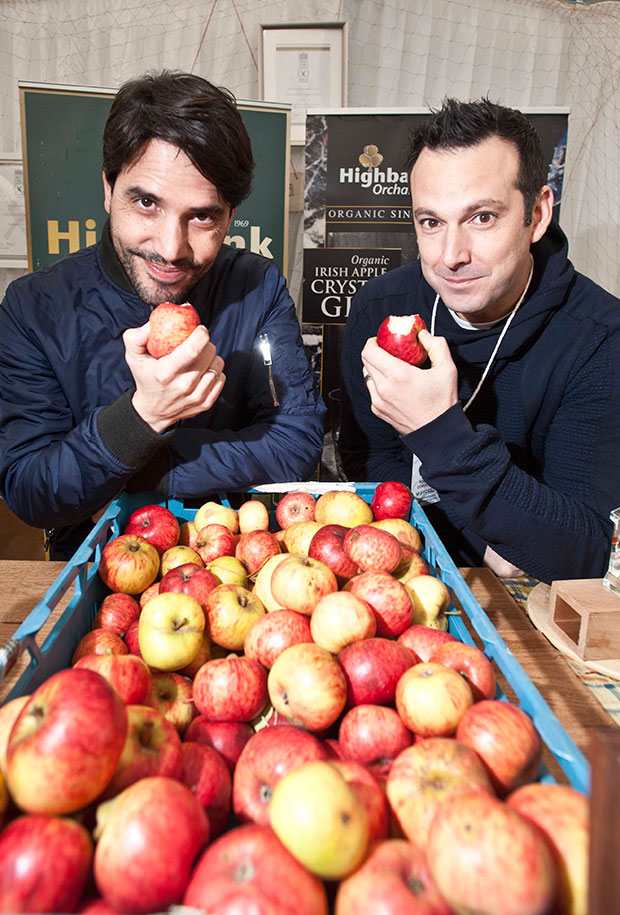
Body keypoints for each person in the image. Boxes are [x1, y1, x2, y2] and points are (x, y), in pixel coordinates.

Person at [0, 71, 325, 558]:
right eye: (147, 203)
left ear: (230, 216)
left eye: (202, 216)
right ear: (109, 189)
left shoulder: (257, 288)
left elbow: (296, 439)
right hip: (97, 573)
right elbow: (29, 487)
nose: (171, 249)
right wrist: (143, 415)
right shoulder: (34, 309)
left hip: (242, 562)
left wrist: (145, 466)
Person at [340, 97, 620, 583]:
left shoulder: (601, 340)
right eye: (431, 222)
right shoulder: (379, 308)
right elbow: (370, 459)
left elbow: (583, 552)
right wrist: (478, 536)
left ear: (537, 213)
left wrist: (437, 432)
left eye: (482, 218)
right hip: (399, 577)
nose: (451, 256)